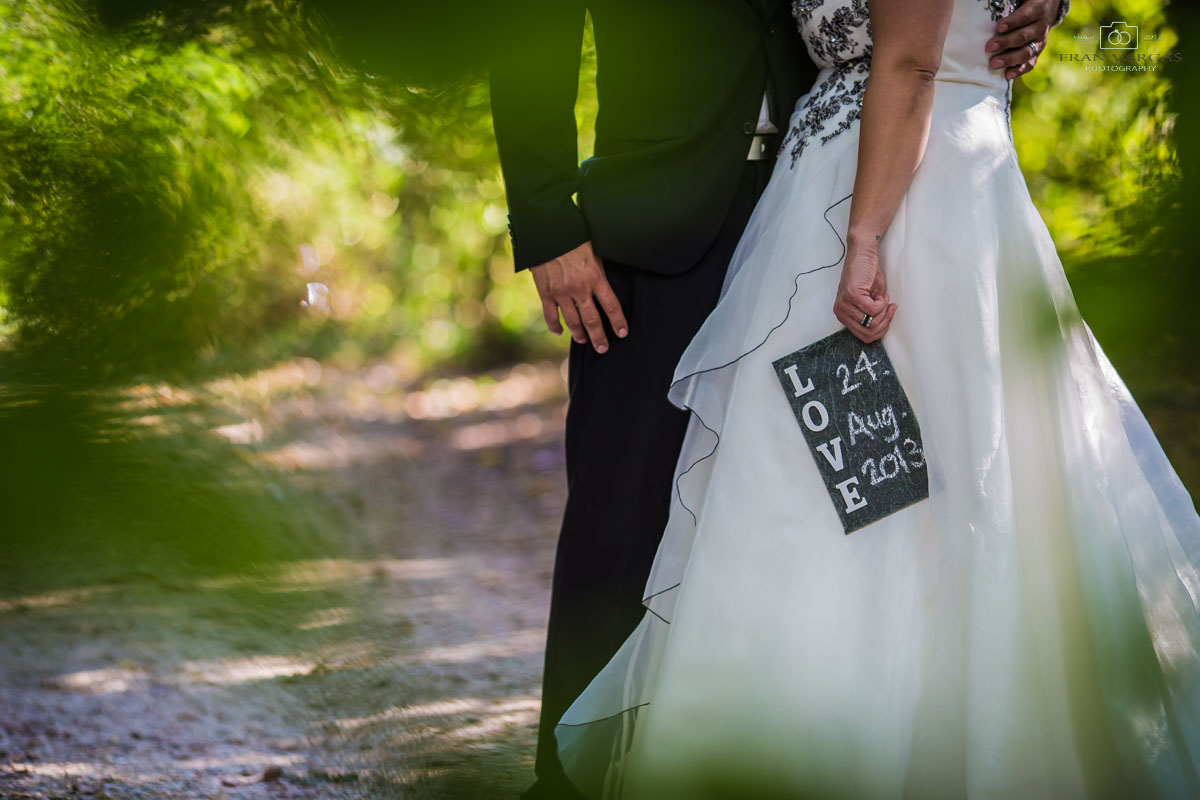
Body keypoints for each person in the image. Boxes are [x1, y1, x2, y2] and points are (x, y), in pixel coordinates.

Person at [553, 0, 1200, 798]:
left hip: (890, 205)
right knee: (873, 488)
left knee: (868, 490)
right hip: (851, 192)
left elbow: (910, 60)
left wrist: (862, 240)